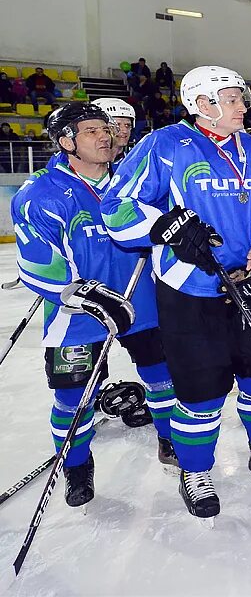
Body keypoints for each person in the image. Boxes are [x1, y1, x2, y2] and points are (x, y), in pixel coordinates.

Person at [102, 65, 251, 520]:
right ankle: (195, 471)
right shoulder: (164, 145)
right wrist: (164, 226)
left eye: (241, 98)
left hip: (250, 285)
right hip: (189, 292)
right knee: (201, 391)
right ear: (202, 105)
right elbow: (117, 208)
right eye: (231, 99)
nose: (242, 106)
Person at [13, 103, 180, 507]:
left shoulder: (133, 182)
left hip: (142, 305)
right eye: (90, 130)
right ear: (66, 141)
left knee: (163, 380)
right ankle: (77, 467)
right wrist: (85, 294)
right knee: (73, 401)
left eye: (105, 128)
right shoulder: (41, 192)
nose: (105, 135)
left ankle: (169, 440)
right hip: (78, 319)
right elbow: (37, 261)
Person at [93, 97, 137, 165]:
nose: (125, 131)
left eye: (127, 125)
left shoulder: (136, 160)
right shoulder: (80, 163)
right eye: (117, 125)